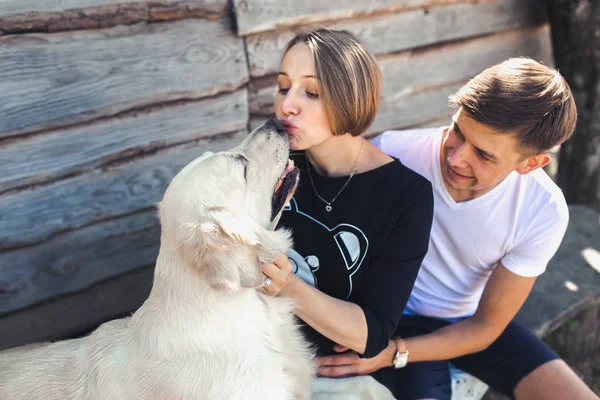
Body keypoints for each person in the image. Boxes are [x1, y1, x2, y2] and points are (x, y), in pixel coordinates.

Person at [317, 57, 600, 400]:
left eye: (483, 154)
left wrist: (395, 353)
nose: (455, 158)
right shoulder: (392, 152)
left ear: (531, 163)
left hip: (463, 324)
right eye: (457, 131)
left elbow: (485, 327)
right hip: (383, 311)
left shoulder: (544, 209)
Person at [257, 28, 434, 395]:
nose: (287, 104)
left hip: (332, 377)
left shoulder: (407, 195)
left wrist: (288, 287)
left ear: (351, 99)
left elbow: (370, 334)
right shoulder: (271, 161)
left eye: (312, 92)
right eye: (283, 86)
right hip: (251, 357)